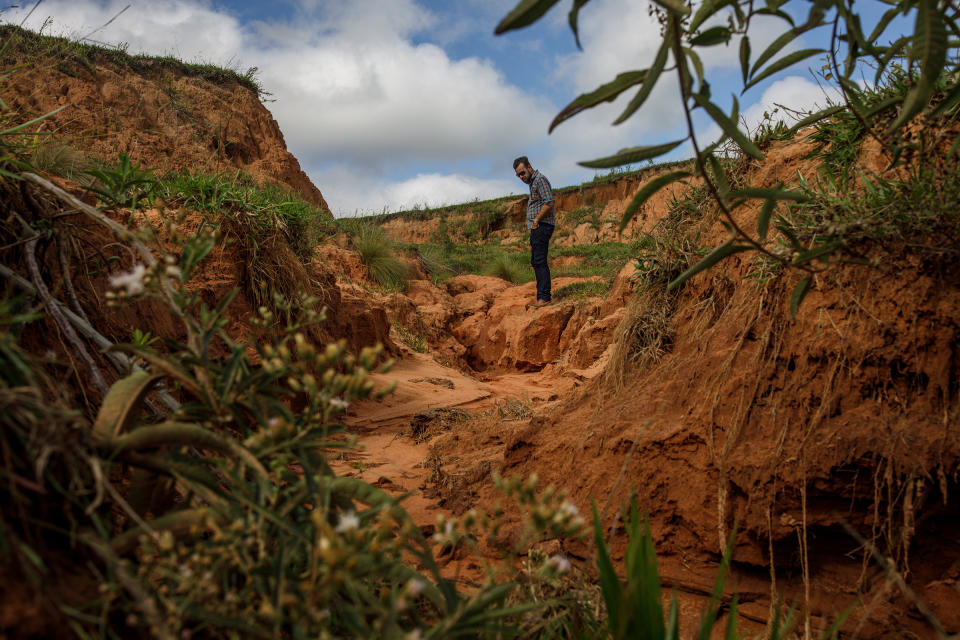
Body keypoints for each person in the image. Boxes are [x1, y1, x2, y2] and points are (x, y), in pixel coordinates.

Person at [513, 156, 555, 308]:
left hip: (542, 225)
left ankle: (544, 298)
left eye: (522, 173)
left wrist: (536, 220)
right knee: (536, 261)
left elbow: (549, 202)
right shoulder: (533, 183)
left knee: (539, 261)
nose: (521, 177)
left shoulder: (539, 180)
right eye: (518, 175)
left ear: (529, 167)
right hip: (538, 227)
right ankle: (541, 297)